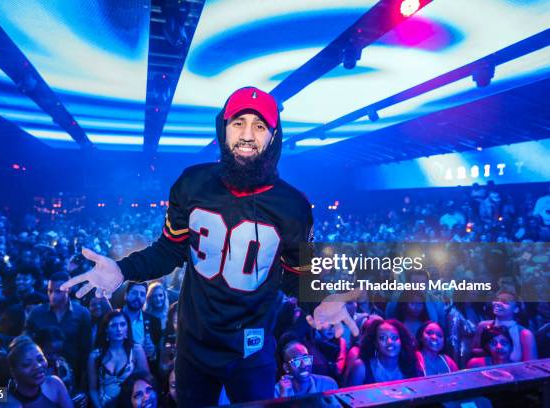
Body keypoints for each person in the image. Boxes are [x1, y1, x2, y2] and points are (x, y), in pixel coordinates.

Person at [61, 87, 358, 406]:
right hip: (195, 347)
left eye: (259, 126)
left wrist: (319, 300)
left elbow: (292, 273)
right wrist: (123, 269)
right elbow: (169, 250)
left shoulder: (293, 206)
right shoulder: (192, 184)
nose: (247, 135)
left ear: (273, 137)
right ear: (223, 128)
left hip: (252, 351)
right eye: (238, 123)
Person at [27, 271, 92, 385]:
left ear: (69, 289)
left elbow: (86, 350)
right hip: (41, 374)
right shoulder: (37, 313)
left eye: (58, 291)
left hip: (73, 374)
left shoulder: (82, 314)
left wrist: (84, 381)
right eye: (50, 291)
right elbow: (28, 344)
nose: (52, 296)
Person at [0, 335, 72, 408]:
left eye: (40, 359)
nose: (38, 366)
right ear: (13, 372)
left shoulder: (54, 385)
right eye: (27, 364)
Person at [88, 310, 149, 408]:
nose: (119, 329)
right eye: (113, 325)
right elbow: (92, 390)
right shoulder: (95, 356)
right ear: (106, 329)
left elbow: (146, 382)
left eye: (122, 324)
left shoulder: (136, 350)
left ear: (127, 327)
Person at [347, 319, 421, 386]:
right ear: (375, 343)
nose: (390, 342)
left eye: (394, 338)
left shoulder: (410, 364)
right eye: (383, 338)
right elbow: (349, 399)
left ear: (401, 341)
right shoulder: (361, 367)